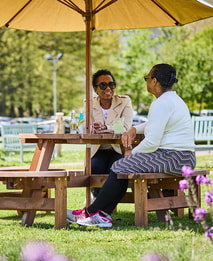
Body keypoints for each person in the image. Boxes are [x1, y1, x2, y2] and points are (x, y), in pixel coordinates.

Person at [67, 63, 196, 228]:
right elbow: (154, 124)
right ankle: (101, 215)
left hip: (174, 158)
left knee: (120, 165)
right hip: (183, 157)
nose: (146, 82)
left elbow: (151, 142)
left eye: (147, 78)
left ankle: (92, 212)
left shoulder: (161, 103)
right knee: (122, 166)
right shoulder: (172, 100)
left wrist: (132, 153)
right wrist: (135, 128)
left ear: (155, 81)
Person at [88, 69, 133, 198]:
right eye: (103, 85)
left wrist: (105, 127)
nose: (108, 88)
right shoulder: (89, 104)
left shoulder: (124, 101)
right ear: (95, 89)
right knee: (94, 168)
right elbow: (84, 125)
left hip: (119, 149)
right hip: (98, 149)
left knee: (116, 168)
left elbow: (125, 127)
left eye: (111, 84)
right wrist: (91, 127)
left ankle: (103, 203)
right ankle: (98, 200)